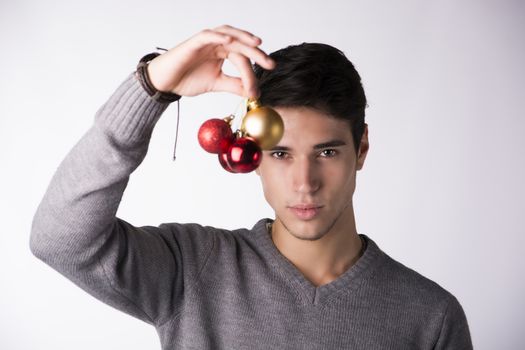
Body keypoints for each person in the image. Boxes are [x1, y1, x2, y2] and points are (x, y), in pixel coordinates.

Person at [30, 25, 473, 349]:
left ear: (361, 149)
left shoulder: (430, 317)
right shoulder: (192, 270)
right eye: (281, 154)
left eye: (327, 152)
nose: (305, 183)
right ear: (253, 154)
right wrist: (151, 89)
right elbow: (61, 239)